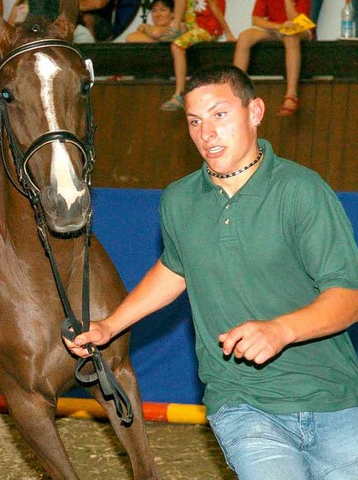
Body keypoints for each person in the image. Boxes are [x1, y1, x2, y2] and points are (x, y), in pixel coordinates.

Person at [64, 65, 358, 480]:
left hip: (337, 401)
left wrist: (280, 330)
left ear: (255, 111)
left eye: (220, 115)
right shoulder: (179, 200)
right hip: (243, 402)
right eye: (195, 122)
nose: (206, 133)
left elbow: (348, 297)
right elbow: (176, 268)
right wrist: (110, 325)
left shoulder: (302, 190)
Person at [233, 0, 311, 116]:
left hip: (299, 29)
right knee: (244, 37)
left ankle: (291, 95)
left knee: (290, 37)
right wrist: (278, 26)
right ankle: (235, 91)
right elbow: (255, 20)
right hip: (275, 28)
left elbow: (297, 22)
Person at [160, 0, 234, 111]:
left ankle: (179, 93)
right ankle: (176, 27)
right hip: (192, 26)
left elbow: (215, 6)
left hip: (207, 29)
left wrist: (228, 32)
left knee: (176, 46)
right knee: (162, 37)